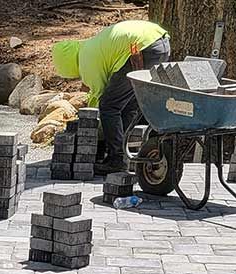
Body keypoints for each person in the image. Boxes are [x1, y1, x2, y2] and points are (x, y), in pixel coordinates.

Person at [52, 20, 171, 175]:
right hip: (161, 43)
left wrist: (93, 132)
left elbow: (99, 97)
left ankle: (117, 159)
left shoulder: (85, 60)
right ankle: (128, 152)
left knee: (109, 106)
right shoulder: (91, 46)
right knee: (129, 104)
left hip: (141, 49)